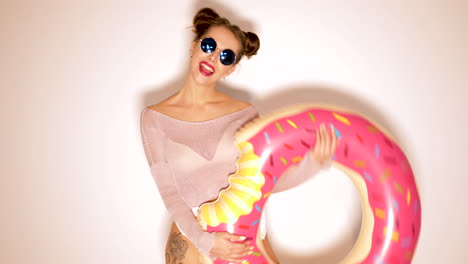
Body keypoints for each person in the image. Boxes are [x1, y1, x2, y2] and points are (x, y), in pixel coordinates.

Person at [140, 7, 337, 264]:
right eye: (209, 45)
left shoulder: (244, 113)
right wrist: (206, 242)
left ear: (230, 69)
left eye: (226, 56)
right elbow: (169, 193)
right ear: (193, 47)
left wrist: (314, 163)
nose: (213, 58)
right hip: (192, 242)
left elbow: (262, 180)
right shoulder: (154, 117)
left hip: (244, 239)